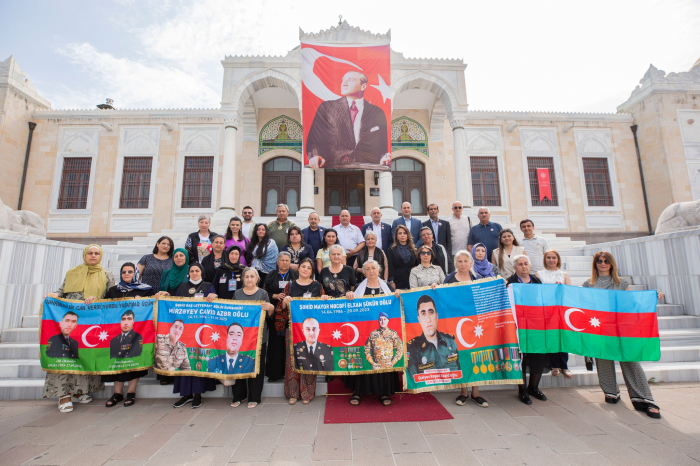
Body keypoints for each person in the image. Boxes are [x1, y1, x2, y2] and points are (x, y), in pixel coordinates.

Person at [583, 251, 664, 418]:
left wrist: (651, 297)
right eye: (599, 260)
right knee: (603, 359)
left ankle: (644, 398)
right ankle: (611, 392)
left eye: (606, 261)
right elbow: (584, 306)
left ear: (611, 263)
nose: (602, 263)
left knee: (630, 360)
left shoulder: (621, 283)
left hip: (620, 328)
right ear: (595, 263)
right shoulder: (588, 284)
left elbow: (630, 305)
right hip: (599, 327)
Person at [44, 245, 114, 413]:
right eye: (90, 253)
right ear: (84, 255)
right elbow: (62, 291)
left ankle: (79, 391)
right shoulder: (73, 272)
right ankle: (64, 394)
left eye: (96, 253)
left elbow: (111, 298)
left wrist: (97, 299)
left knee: (85, 354)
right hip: (70, 320)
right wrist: (54, 295)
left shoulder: (106, 275)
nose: (93, 256)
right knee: (66, 355)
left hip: (91, 322)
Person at [345, 260, 403, 406]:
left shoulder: (387, 287)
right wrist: (350, 295)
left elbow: (396, 305)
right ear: (364, 272)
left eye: (374, 268)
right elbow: (351, 307)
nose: (371, 271)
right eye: (368, 269)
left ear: (379, 270)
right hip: (364, 332)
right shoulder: (359, 287)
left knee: (384, 358)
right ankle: (357, 391)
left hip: (384, 335)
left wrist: (398, 294)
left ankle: (384, 392)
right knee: (363, 358)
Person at [306, 70, 390, 169]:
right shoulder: (327, 108)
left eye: (350, 80)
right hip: (333, 168)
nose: (344, 84)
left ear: (363, 86)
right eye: (343, 80)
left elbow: (382, 146)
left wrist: (383, 158)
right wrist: (315, 156)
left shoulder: (377, 112)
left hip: (366, 169)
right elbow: (314, 139)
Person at [444, 251, 488, 408]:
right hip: (456, 324)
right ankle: (463, 392)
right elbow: (443, 300)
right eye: (460, 261)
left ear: (471, 263)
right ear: (456, 263)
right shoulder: (449, 279)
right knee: (461, 355)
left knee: (476, 356)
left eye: (466, 261)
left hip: (475, 325)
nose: (463, 264)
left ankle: (476, 392)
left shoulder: (478, 279)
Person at [169, 263, 215, 409]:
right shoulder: (182, 287)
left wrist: (215, 297)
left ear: (201, 272)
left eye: (197, 270)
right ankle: (185, 395)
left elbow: (214, 306)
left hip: (201, 331)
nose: (194, 273)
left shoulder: (209, 286)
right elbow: (174, 306)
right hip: (185, 331)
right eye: (192, 271)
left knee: (198, 359)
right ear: (188, 273)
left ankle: (197, 395)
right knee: (183, 359)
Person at [279, 258, 324, 404]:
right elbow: (282, 308)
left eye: (309, 268)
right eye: (303, 267)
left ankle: (307, 393)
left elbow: (323, 309)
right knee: (291, 361)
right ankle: (293, 393)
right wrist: (285, 302)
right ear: (298, 269)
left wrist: (324, 299)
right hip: (292, 330)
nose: (305, 269)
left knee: (309, 360)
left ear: (312, 271)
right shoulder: (290, 285)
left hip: (310, 331)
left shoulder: (317, 286)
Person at [506, 255, 549, 405]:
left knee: (538, 356)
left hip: (536, 326)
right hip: (518, 326)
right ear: (514, 267)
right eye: (520, 264)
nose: (523, 267)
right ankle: (522, 390)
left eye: (526, 264)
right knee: (521, 357)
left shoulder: (536, 281)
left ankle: (534, 388)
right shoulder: (509, 282)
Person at [232, 267, 276, 408]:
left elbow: (270, 317)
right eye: (247, 277)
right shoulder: (237, 294)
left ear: (257, 278)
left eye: (252, 276)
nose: (249, 279)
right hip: (240, 339)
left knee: (257, 367)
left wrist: (271, 308)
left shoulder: (263, 293)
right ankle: (239, 396)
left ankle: (254, 397)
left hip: (258, 338)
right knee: (238, 366)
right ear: (243, 279)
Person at [536, 249, 573, 378]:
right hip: (547, 310)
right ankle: (554, 365)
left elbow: (569, 293)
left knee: (563, 337)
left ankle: (564, 366)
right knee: (551, 337)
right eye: (548, 257)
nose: (551, 260)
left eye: (554, 257)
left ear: (558, 260)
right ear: (545, 259)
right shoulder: (539, 274)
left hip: (561, 310)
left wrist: (561, 288)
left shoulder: (564, 275)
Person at [263, 252, 298, 382]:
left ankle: (291, 371)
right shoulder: (271, 275)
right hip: (275, 315)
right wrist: (275, 296)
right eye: (282, 260)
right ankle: (275, 374)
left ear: (290, 262)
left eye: (287, 260)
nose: (284, 263)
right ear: (277, 262)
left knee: (289, 344)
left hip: (290, 314)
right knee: (275, 344)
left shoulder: (295, 275)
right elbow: (264, 291)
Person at [406, 295, 461, 377]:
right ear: (419, 319)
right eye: (423, 314)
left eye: (431, 312)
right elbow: (414, 380)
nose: (428, 320)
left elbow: (460, 373)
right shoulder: (412, 348)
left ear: (437, 316)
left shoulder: (451, 343)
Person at [386, 225, 419, 290]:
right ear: (396, 236)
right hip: (398, 281)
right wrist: (392, 281)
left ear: (407, 235)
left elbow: (417, 265)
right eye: (400, 233)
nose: (402, 235)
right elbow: (391, 266)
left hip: (412, 281)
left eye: (404, 233)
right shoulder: (391, 249)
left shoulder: (414, 249)